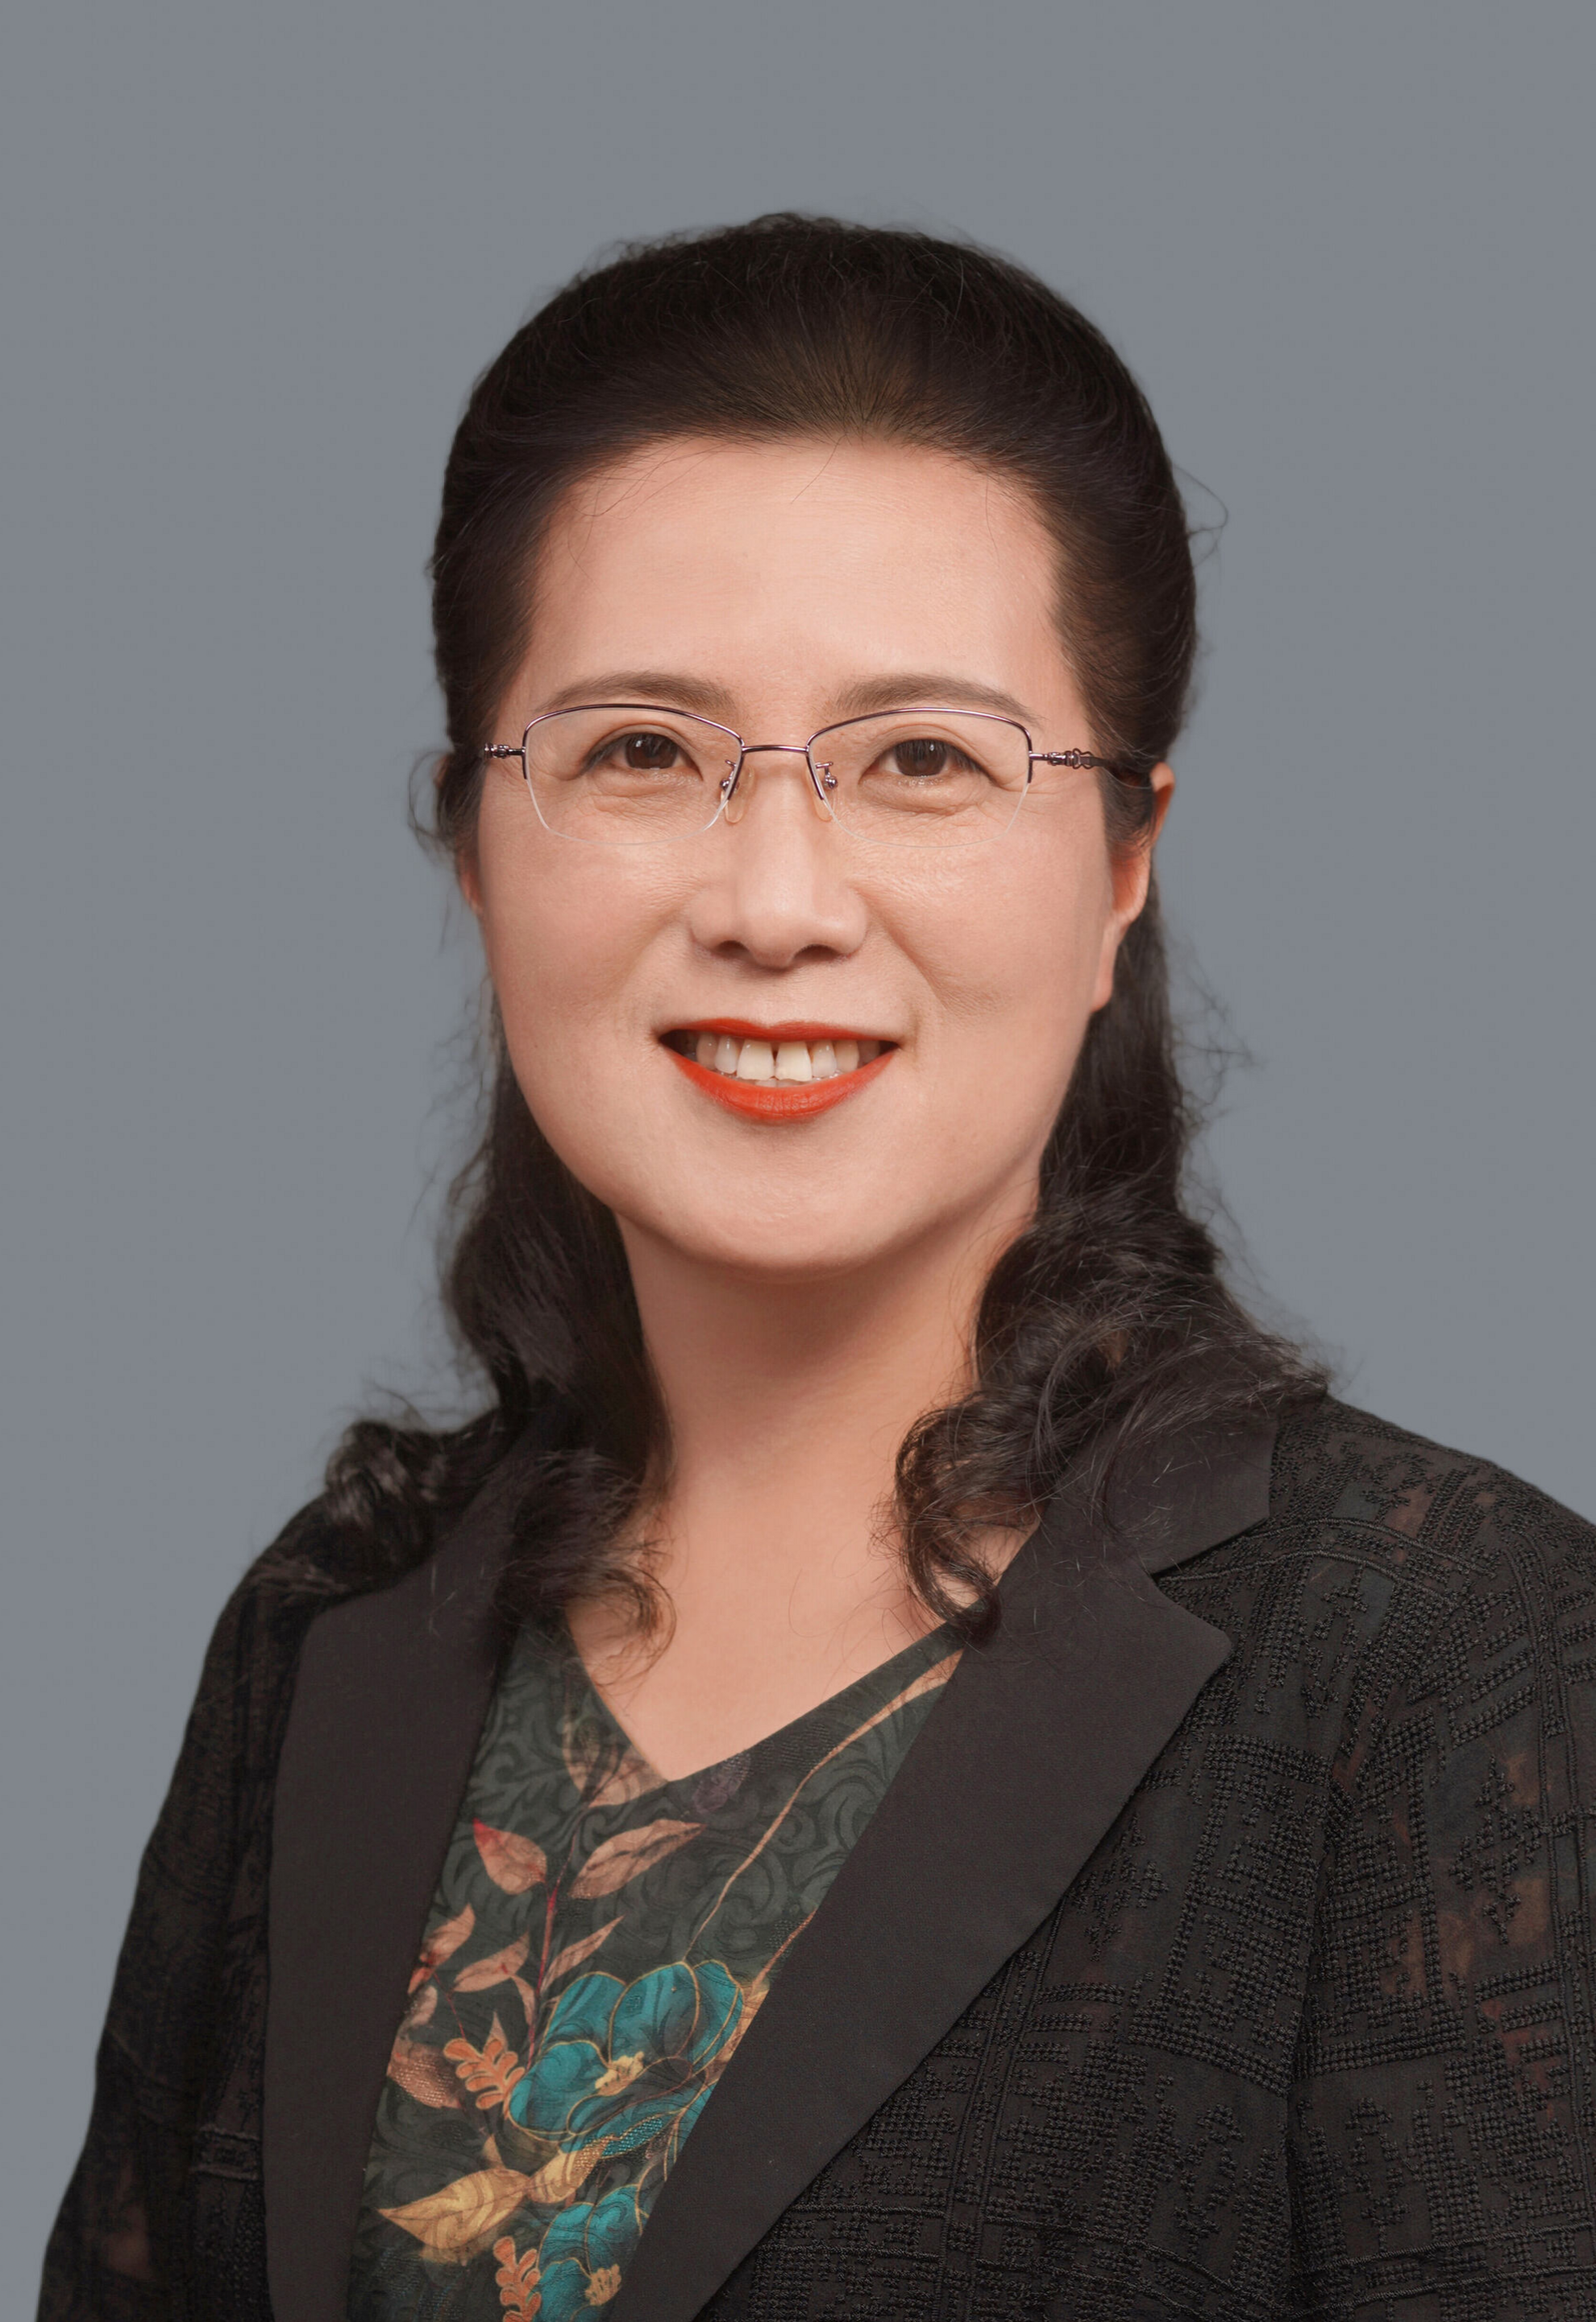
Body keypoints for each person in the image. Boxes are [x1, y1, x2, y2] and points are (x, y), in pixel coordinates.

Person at [40, 215, 1596, 2322]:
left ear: (1124, 860)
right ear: (474, 841)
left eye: (922, 760)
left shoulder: (1453, 1657)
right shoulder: (328, 1629)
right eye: (640, 752)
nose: (775, 902)